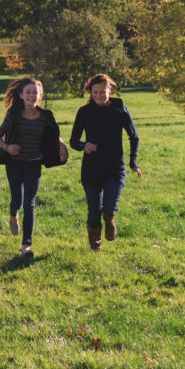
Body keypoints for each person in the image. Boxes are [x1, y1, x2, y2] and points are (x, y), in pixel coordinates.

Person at [0, 77, 67, 258]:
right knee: (17, 200)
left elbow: (54, 135)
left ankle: (26, 245)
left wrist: (62, 145)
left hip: (34, 163)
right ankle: (13, 214)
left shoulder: (45, 116)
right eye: (28, 92)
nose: (31, 95)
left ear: (40, 96)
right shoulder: (13, 114)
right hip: (14, 163)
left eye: (35, 92)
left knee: (30, 203)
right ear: (21, 95)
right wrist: (8, 148)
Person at [69, 73, 141, 251]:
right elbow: (73, 141)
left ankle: (109, 218)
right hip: (91, 168)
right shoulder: (84, 112)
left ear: (111, 90)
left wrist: (133, 162)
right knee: (93, 211)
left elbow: (134, 137)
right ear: (90, 92)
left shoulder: (119, 108)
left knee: (109, 207)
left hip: (114, 167)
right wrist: (84, 145)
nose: (99, 96)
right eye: (95, 92)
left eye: (103, 92)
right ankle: (95, 246)